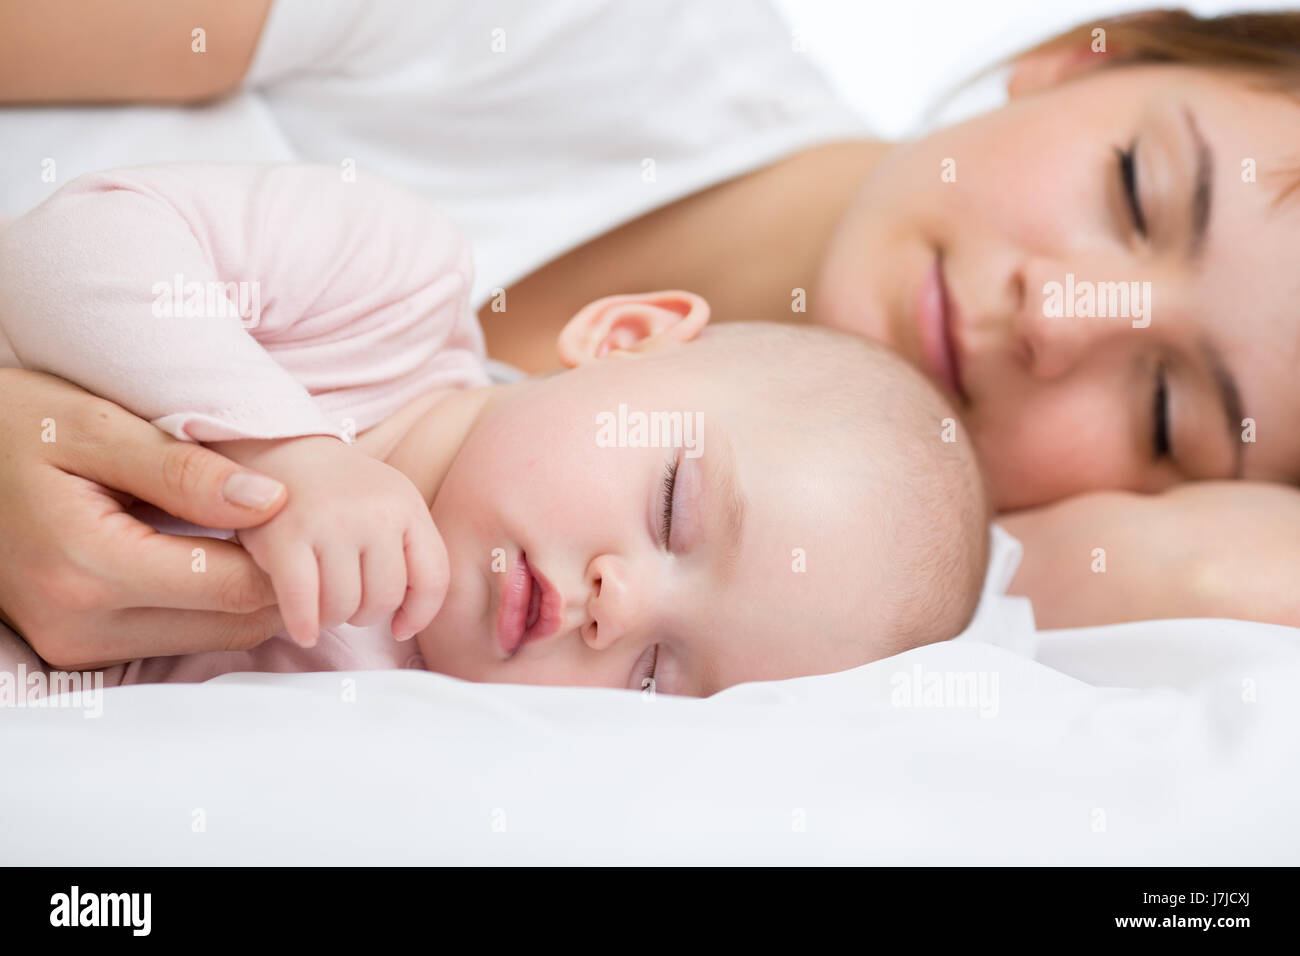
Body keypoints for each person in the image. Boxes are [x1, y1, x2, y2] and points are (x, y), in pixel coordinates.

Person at [1, 3, 1297, 665]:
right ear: (1082, 57)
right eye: (1137, 192)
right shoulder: (586, 30)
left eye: (1168, 412)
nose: (1059, 321)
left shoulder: (690, 668)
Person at [0, 164, 987, 693]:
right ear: (624, 337)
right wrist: (281, 452)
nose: (620, 607)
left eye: (657, 674)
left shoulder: (415, 721)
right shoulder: (386, 286)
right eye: (672, 503)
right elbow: (68, 247)